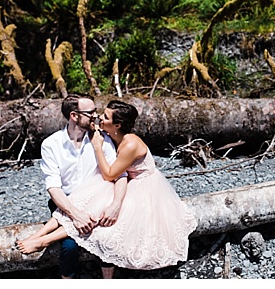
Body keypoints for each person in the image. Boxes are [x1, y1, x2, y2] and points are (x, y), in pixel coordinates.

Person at [19, 100, 199, 272]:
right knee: (85, 197)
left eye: (105, 117)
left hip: (143, 187)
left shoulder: (130, 144)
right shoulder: (111, 136)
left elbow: (110, 174)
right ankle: (38, 235)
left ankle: (45, 240)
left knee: (98, 210)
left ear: (117, 125)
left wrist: (97, 147)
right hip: (126, 180)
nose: (99, 118)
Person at [15, 93, 122, 279]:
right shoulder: (52, 144)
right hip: (65, 201)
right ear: (74, 116)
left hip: (99, 199)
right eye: (91, 113)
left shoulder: (102, 139)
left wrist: (115, 205)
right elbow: (53, 188)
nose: (96, 117)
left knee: (107, 235)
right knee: (70, 246)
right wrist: (76, 214)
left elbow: (119, 174)